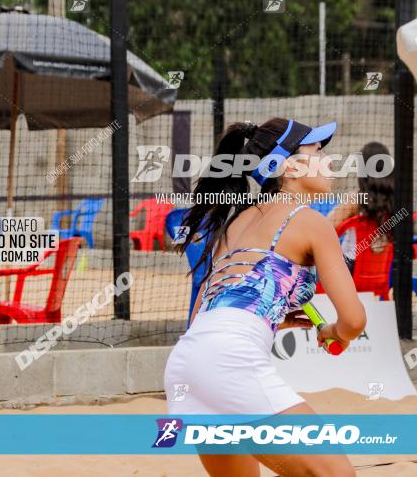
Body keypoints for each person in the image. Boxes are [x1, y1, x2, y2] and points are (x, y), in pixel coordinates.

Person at [165, 118, 366, 477]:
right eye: (318, 151)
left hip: (186, 363)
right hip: (229, 360)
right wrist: (335, 331)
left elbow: (208, 309)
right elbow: (354, 321)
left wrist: (269, 316)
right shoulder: (311, 222)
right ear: (288, 166)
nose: (330, 160)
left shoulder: (234, 224)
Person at [327, 142, 394, 271]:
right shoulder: (394, 200)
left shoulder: (355, 199)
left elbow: (327, 226)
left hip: (349, 269)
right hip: (382, 270)